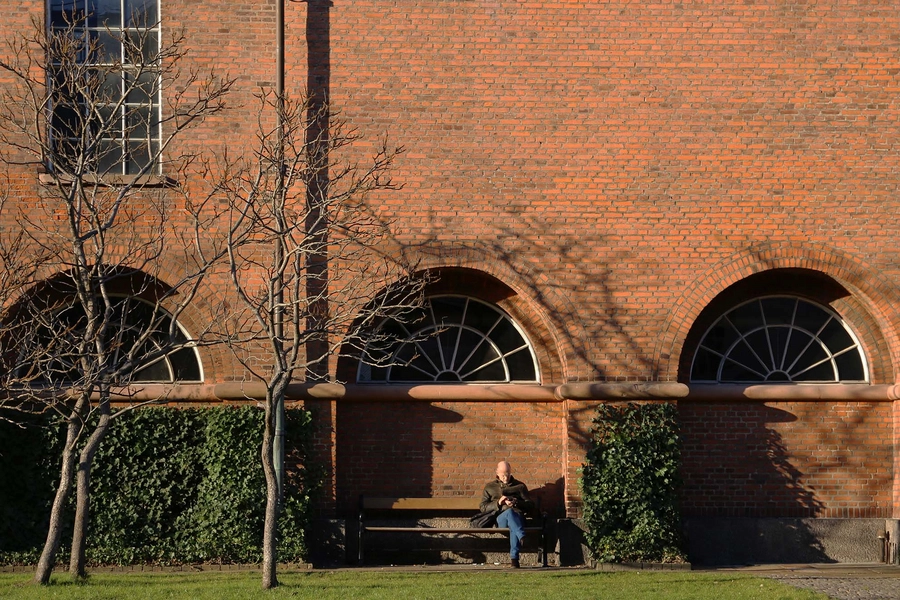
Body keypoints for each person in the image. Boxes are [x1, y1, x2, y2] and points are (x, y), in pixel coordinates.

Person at [480, 460, 534, 568]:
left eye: (508, 474)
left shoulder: (520, 486)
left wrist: (516, 502)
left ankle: (515, 561)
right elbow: (483, 507)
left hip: (518, 516)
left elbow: (531, 505)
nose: (506, 477)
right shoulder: (490, 487)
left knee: (514, 523)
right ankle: (521, 537)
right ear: (497, 473)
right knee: (509, 513)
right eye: (503, 474)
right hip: (501, 518)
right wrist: (499, 502)